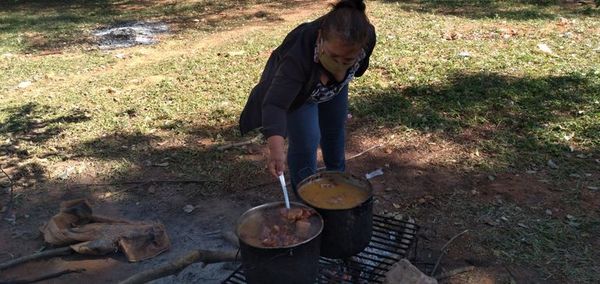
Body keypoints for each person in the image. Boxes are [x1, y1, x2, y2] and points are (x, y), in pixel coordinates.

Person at [239, 0, 376, 193]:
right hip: (300, 95)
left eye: (347, 59)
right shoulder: (297, 57)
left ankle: (338, 182)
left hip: (334, 89)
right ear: (320, 38)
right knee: (307, 140)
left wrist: (338, 74)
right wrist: (276, 152)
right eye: (333, 56)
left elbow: (359, 69)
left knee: (334, 130)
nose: (339, 62)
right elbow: (275, 105)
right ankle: (306, 195)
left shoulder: (367, 36)